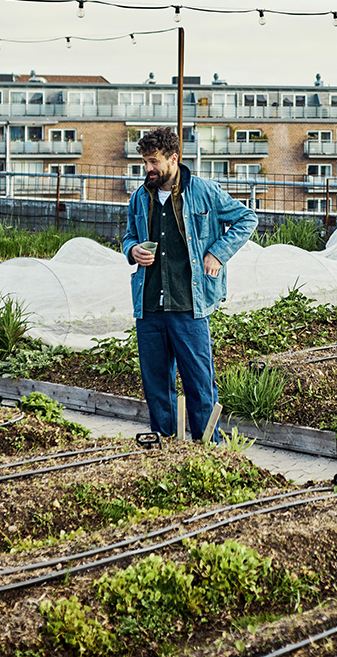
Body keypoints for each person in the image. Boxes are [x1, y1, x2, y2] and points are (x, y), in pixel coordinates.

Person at [123, 127, 256, 441]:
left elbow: (246, 218)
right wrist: (132, 249)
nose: (148, 169)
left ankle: (208, 449)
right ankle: (165, 447)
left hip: (189, 304)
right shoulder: (141, 197)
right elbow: (129, 234)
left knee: (199, 383)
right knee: (156, 385)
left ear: (173, 158)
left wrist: (217, 253)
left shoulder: (204, 192)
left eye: (153, 161)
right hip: (150, 306)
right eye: (144, 162)